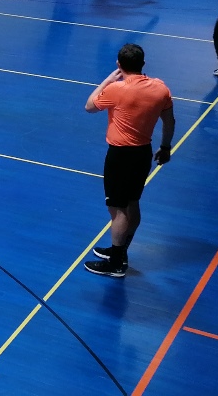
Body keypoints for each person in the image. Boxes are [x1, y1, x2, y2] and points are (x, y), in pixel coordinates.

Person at [83, 43, 174, 278]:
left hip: (120, 156)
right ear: (143, 64)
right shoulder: (161, 88)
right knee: (132, 203)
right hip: (143, 154)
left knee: (118, 210)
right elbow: (169, 121)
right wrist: (165, 147)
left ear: (119, 64)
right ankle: (120, 250)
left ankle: (116, 263)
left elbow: (89, 106)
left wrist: (107, 81)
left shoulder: (117, 89)